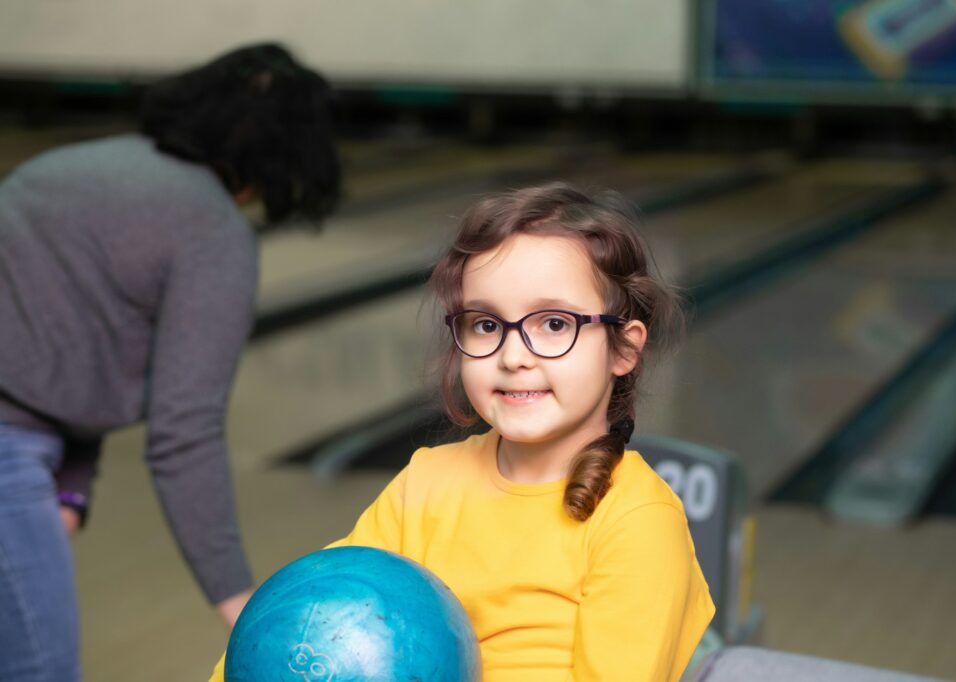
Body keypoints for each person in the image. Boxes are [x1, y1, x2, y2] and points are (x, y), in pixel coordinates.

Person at [210, 183, 715, 681]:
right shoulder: (427, 482)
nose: (513, 356)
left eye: (554, 324)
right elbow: (309, 615)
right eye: (487, 325)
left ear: (623, 350)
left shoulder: (635, 520)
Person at [0, 43, 340, 682]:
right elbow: (184, 433)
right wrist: (240, 603)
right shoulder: (214, 235)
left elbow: (66, 342)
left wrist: (74, 483)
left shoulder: (66, 167)